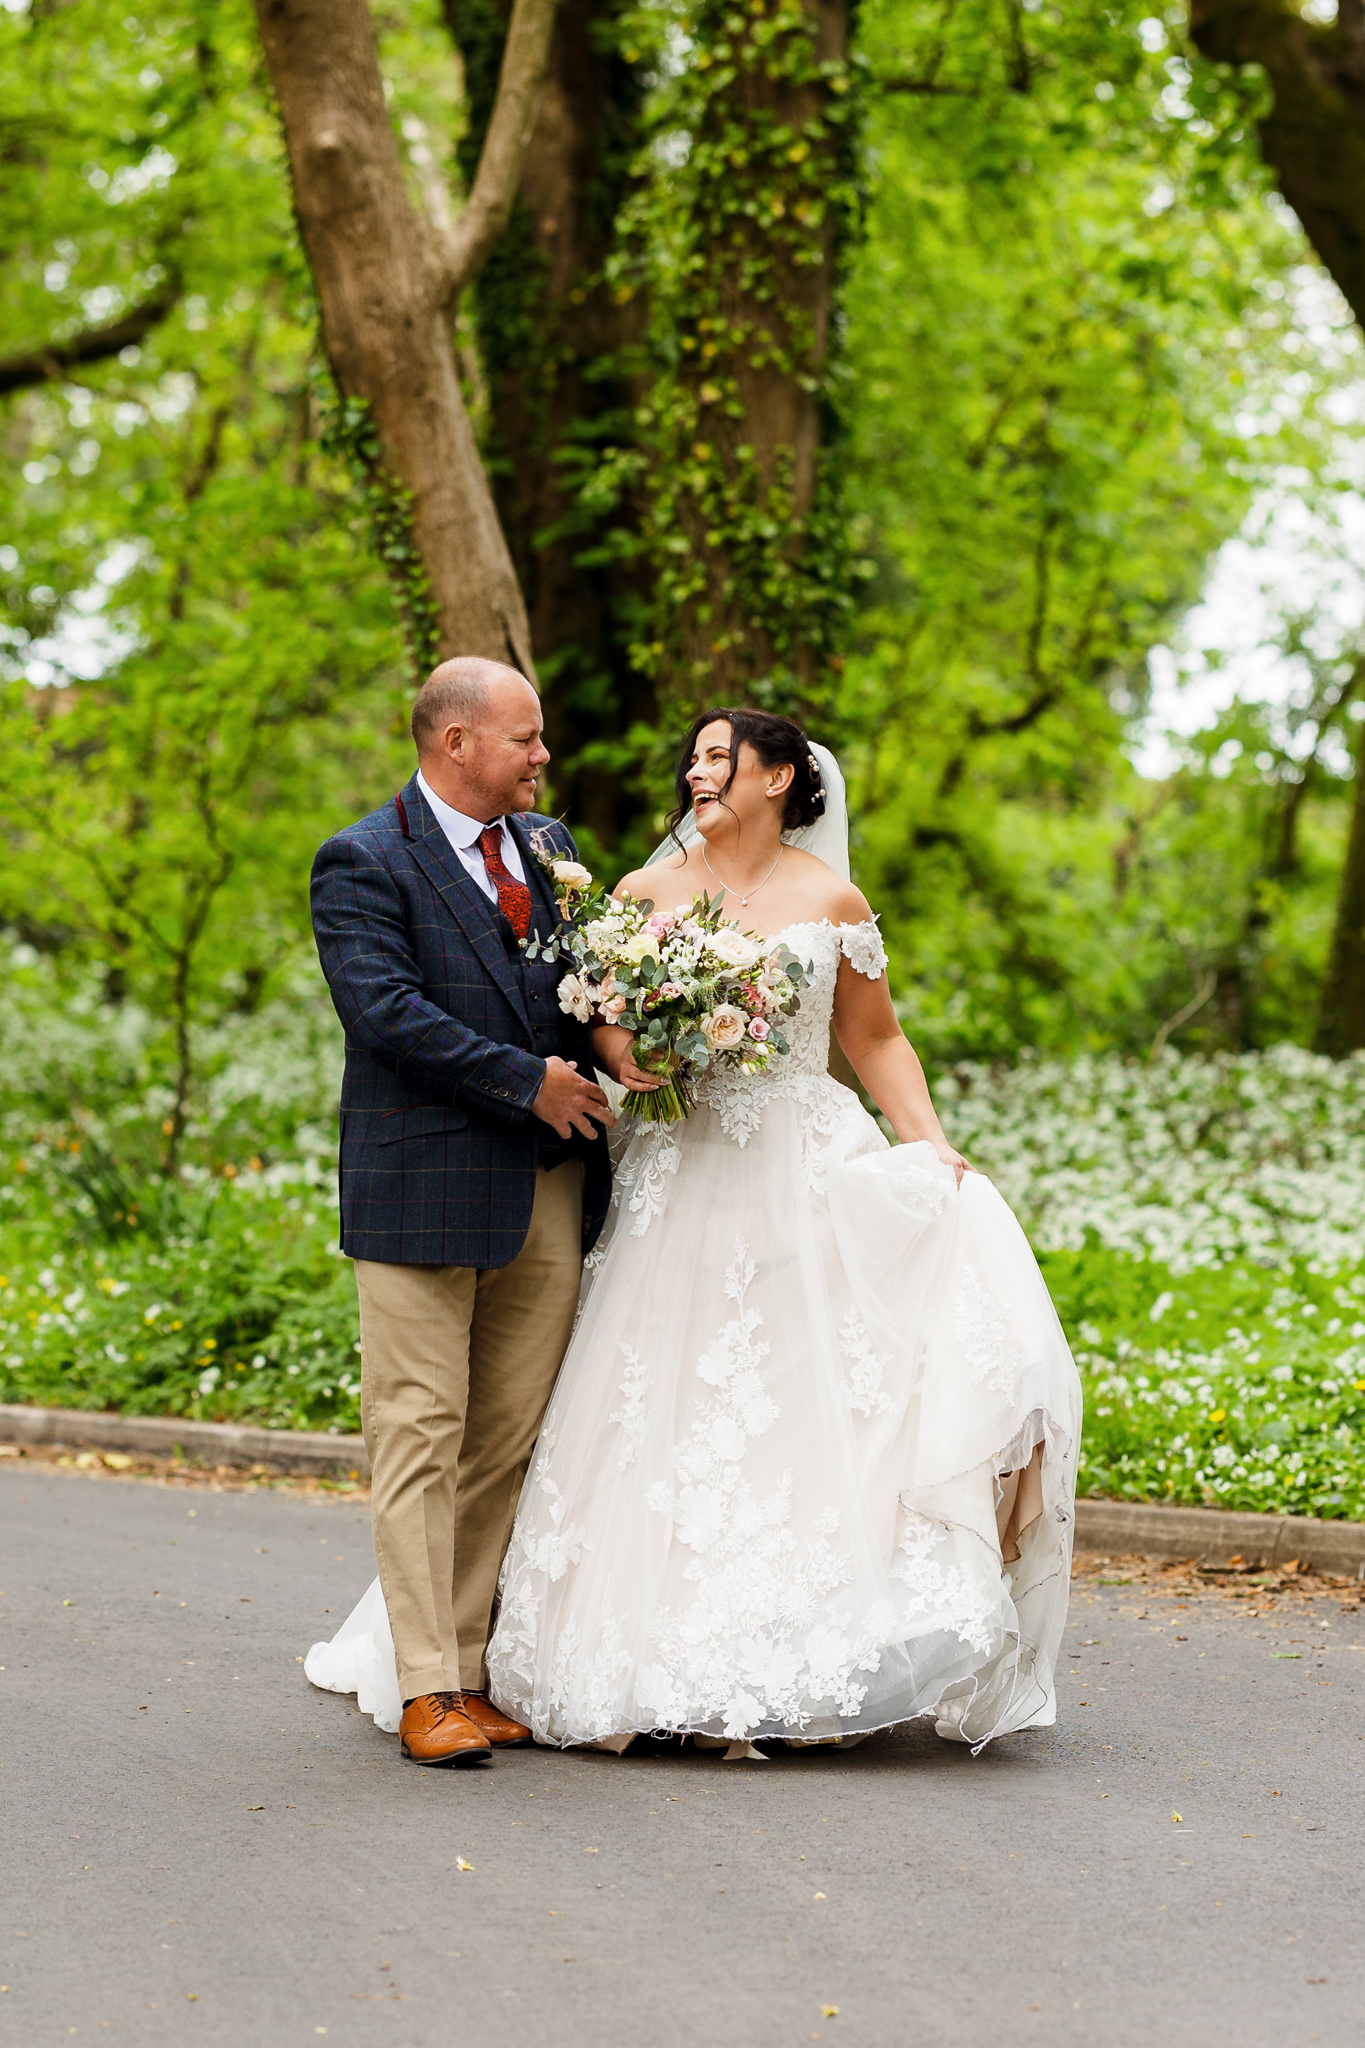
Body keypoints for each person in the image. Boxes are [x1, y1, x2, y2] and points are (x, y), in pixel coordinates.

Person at [312, 707, 1081, 1757]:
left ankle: (789, 1645)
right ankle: (474, 1667)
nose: (696, 769)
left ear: (780, 779)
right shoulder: (635, 893)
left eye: (720, 756)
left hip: (798, 1176)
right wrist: (636, 1048)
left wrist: (932, 1144)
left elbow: (875, 1035)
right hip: (675, 1180)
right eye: (696, 755)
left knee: (800, 1410)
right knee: (634, 1406)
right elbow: (588, 1017)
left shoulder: (833, 900)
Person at [305, 657, 614, 1767]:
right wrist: (524, 1077)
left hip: (548, 1184)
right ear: (456, 745)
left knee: (502, 1443)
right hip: (423, 1187)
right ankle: (423, 1684)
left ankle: (472, 1669)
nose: (542, 756)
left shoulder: (558, 850)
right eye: (524, 739)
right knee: (418, 1434)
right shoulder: (363, 859)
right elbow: (384, 1012)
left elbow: (593, 991)